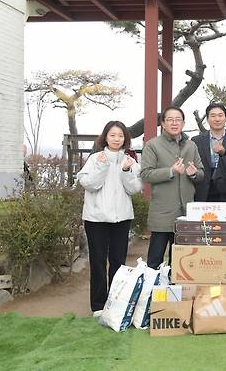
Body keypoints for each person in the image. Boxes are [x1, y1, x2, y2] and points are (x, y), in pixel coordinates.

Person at [76, 121, 143, 316]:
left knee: (118, 262)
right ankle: (98, 305)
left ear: (125, 139)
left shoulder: (130, 161)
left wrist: (126, 171)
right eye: (113, 135)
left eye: (120, 136)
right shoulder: (96, 158)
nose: (116, 139)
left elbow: (134, 189)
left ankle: (116, 301)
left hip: (122, 218)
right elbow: (89, 184)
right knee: (97, 261)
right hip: (96, 218)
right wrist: (103, 167)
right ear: (105, 137)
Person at [141, 106, 204, 269]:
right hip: (162, 212)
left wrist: (193, 174)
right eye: (170, 119)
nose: (174, 123)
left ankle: (178, 293)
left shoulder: (191, 146)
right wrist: (171, 171)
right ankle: (153, 293)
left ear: (183, 123)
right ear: (162, 123)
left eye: (178, 120)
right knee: (155, 261)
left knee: (182, 262)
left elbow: (201, 173)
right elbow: (146, 174)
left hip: (186, 213)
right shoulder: (152, 145)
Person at [191, 103, 226, 202]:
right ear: (207, 118)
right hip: (203, 191)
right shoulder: (196, 140)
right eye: (213, 116)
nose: (217, 119)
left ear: (225, 117)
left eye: (220, 115)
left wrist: (224, 153)